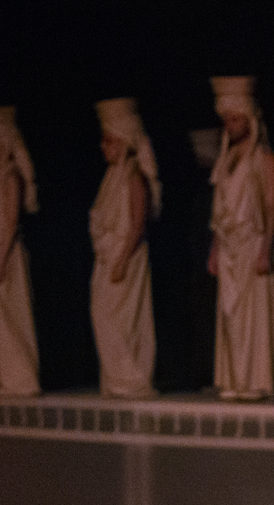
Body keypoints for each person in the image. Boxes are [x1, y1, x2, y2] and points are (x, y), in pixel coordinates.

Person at [207, 76, 274, 401]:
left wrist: (265, 248)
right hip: (229, 247)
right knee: (230, 315)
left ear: (250, 120)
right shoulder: (225, 160)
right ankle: (234, 379)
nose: (230, 125)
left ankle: (255, 381)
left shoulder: (264, 158)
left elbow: (271, 205)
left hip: (252, 243)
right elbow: (219, 209)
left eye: (236, 119)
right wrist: (214, 249)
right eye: (227, 120)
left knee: (253, 316)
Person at [90, 97, 161, 398]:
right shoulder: (112, 177)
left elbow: (136, 225)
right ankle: (116, 378)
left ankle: (131, 380)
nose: (103, 147)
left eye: (108, 141)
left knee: (123, 319)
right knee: (103, 316)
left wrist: (121, 259)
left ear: (122, 141)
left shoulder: (134, 176)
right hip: (108, 258)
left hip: (126, 256)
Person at [0, 105, 41, 396]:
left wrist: (1, 260)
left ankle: (19, 379)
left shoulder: (12, 177)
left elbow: (11, 221)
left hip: (7, 257)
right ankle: (3, 376)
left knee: (8, 320)